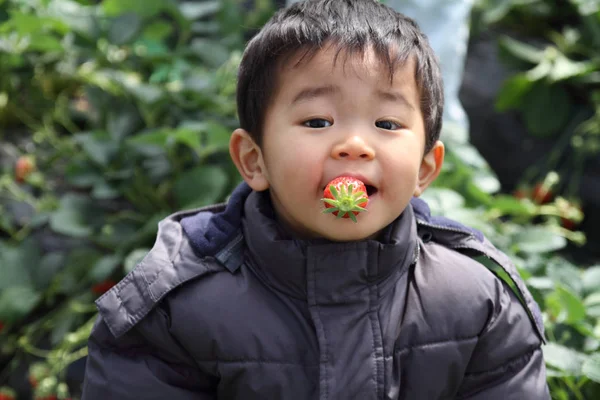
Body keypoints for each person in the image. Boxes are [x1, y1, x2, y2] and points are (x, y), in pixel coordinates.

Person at [81, 0, 550, 398]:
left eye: (386, 125)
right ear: (254, 159)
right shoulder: (176, 306)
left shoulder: (477, 301)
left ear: (426, 169)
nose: (354, 145)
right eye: (317, 122)